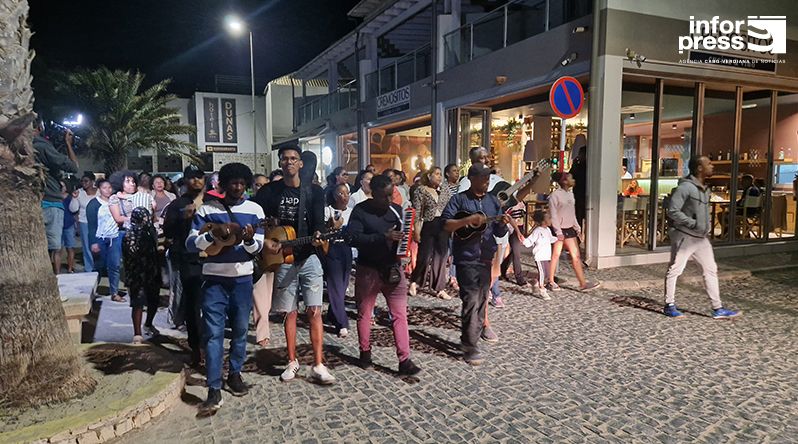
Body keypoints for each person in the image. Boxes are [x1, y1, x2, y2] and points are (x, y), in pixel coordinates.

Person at [187, 162, 272, 414]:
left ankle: (235, 374)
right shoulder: (207, 209)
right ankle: (213, 387)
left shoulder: (255, 210)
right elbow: (192, 243)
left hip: (242, 280)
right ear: (223, 184)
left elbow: (256, 248)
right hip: (213, 279)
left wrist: (247, 238)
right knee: (213, 334)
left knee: (240, 330)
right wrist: (213, 236)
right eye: (232, 183)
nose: (237, 187)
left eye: (241, 183)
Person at [253, 146, 335, 385]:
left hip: (308, 256)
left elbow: (319, 222)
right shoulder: (270, 191)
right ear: (280, 163)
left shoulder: (314, 192)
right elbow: (256, 219)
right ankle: (292, 360)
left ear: (300, 163)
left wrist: (320, 235)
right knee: (289, 312)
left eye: (293, 159)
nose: (289, 162)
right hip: (283, 260)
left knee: (315, 310)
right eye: (285, 159)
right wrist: (267, 236)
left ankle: (318, 364)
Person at [348, 174, 421, 375]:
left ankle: (404, 360)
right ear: (373, 193)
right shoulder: (360, 211)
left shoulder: (396, 211)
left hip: (393, 269)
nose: (389, 200)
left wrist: (406, 237)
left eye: (392, 195)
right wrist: (383, 237)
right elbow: (353, 238)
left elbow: (405, 238)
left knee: (400, 315)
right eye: (384, 196)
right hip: (368, 270)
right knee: (364, 314)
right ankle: (365, 353)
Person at [443, 163, 511, 365]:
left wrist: (502, 224)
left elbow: (499, 233)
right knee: (471, 299)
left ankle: (471, 336)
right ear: (471, 179)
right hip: (466, 256)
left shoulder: (492, 201)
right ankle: (470, 345)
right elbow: (446, 224)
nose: (486, 182)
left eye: (488, 179)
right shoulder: (459, 200)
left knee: (482, 298)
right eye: (483, 179)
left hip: (485, 257)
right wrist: (467, 221)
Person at [664, 156, 741, 319]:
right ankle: (669, 305)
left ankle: (717, 308)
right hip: (685, 236)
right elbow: (672, 210)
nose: (712, 166)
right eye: (709, 164)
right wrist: (692, 223)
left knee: (711, 270)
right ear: (699, 168)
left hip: (701, 238)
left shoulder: (704, 189)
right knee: (675, 269)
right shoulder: (685, 188)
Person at [163, 165, 207, 366]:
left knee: (213, 305)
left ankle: (210, 344)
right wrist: (183, 217)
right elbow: (168, 231)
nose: (195, 181)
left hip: (213, 260)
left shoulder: (213, 202)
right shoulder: (177, 204)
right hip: (189, 260)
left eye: (199, 177)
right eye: (191, 178)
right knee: (193, 306)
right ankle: (196, 347)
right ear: (185, 181)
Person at [33, 119, 78, 273]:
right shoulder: (42, 146)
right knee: (54, 248)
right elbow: (73, 167)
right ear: (40, 127)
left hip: (31, 201)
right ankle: (55, 281)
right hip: (51, 202)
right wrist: (68, 143)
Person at [548, 172, 600, 292]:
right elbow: (553, 215)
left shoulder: (571, 195)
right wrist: (558, 231)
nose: (574, 180)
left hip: (569, 228)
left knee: (576, 256)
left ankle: (583, 284)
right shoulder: (555, 196)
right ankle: (550, 281)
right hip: (559, 229)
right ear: (565, 181)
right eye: (571, 178)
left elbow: (572, 214)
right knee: (555, 255)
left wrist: (577, 228)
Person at [409, 166, 451, 300]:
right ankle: (415, 281)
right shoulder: (421, 190)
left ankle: (439, 287)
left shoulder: (445, 190)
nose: (439, 177)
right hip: (428, 224)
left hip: (443, 225)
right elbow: (417, 212)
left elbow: (451, 206)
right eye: (437, 174)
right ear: (429, 176)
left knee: (441, 257)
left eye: (440, 175)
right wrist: (416, 231)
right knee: (424, 256)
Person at [123, 208, 162, 344]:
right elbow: (131, 253)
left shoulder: (150, 230)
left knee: (154, 300)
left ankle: (149, 324)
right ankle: (137, 334)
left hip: (152, 270)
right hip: (136, 273)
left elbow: (155, 247)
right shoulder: (130, 233)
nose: (146, 220)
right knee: (138, 303)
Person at [323, 183, 353, 337]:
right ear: (334, 195)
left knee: (343, 285)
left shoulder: (352, 212)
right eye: (341, 193)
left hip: (346, 250)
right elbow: (322, 232)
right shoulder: (327, 210)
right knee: (335, 287)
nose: (344, 196)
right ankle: (342, 322)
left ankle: (332, 314)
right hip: (332, 249)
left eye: (347, 193)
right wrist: (331, 227)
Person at [92, 179, 123, 301]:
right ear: (99, 189)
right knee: (99, 266)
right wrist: (93, 241)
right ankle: (93, 291)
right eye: (104, 188)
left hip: (114, 237)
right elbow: (92, 225)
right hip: (100, 238)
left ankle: (114, 292)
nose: (108, 190)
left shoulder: (116, 202)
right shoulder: (94, 204)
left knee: (114, 265)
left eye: (109, 187)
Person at [522, 210, 557, 301]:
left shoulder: (548, 230)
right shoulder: (537, 231)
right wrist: (524, 241)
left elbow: (550, 239)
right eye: (548, 218)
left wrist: (558, 238)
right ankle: (542, 289)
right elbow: (530, 240)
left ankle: (535, 283)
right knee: (542, 273)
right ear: (543, 221)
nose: (550, 220)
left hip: (546, 255)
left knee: (547, 273)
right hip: (539, 256)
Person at [443, 163, 461, 290]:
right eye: (454, 171)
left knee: (456, 250)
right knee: (447, 251)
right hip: (449, 222)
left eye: (458, 171)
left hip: (460, 222)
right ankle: (445, 276)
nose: (457, 173)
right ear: (447, 173)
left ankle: (453, 276)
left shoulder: (462, 187)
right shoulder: (444, 188)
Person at [76, 172, 98, 272]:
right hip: (84, 222)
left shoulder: (99, 192)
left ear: (92, 182)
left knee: (98, 245)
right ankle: (89, 268)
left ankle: (99, 266)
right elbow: (73, 209)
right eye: (82, 181)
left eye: (86, 181)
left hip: (98, 222)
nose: (84, 183)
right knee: (86, 246)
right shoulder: (79, 192)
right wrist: (74, 198)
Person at [569, 134, 588, 229]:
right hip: (579, 194)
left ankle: (579, 235)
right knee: (579, 216)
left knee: (579, 215)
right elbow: (570, 176)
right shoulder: (579, 165)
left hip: (581, 194)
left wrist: (575, 164)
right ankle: (579, 234)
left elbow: (571, 175)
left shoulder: (581, 167)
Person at [61, 182, 80, 273]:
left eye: (63, 185)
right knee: (57, 248)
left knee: (70, 247)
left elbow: (75, 212)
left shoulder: (70, 197)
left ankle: (70, 267)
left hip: (69, 224)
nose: (61, 187)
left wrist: (77, 227)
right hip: (58, 225)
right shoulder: (55, 198)